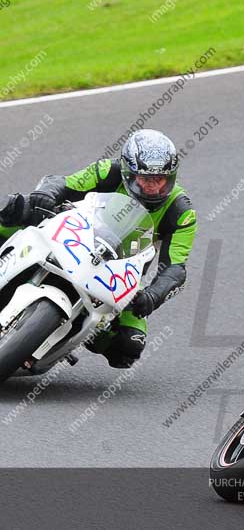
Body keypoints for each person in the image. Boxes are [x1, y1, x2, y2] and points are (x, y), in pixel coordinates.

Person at [0, 129, 197, 369]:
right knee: (13, 209)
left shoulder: (181, 211)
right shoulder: (108, 171)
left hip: (119, 271)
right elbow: (64, 183)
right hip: (75, 236)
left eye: (160, 180)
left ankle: (64, 337)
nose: (152, 188)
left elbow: (176, 268)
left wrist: (153, 295)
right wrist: (45, 195)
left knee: (128, 346)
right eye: (145, 179)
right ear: (128, 172)